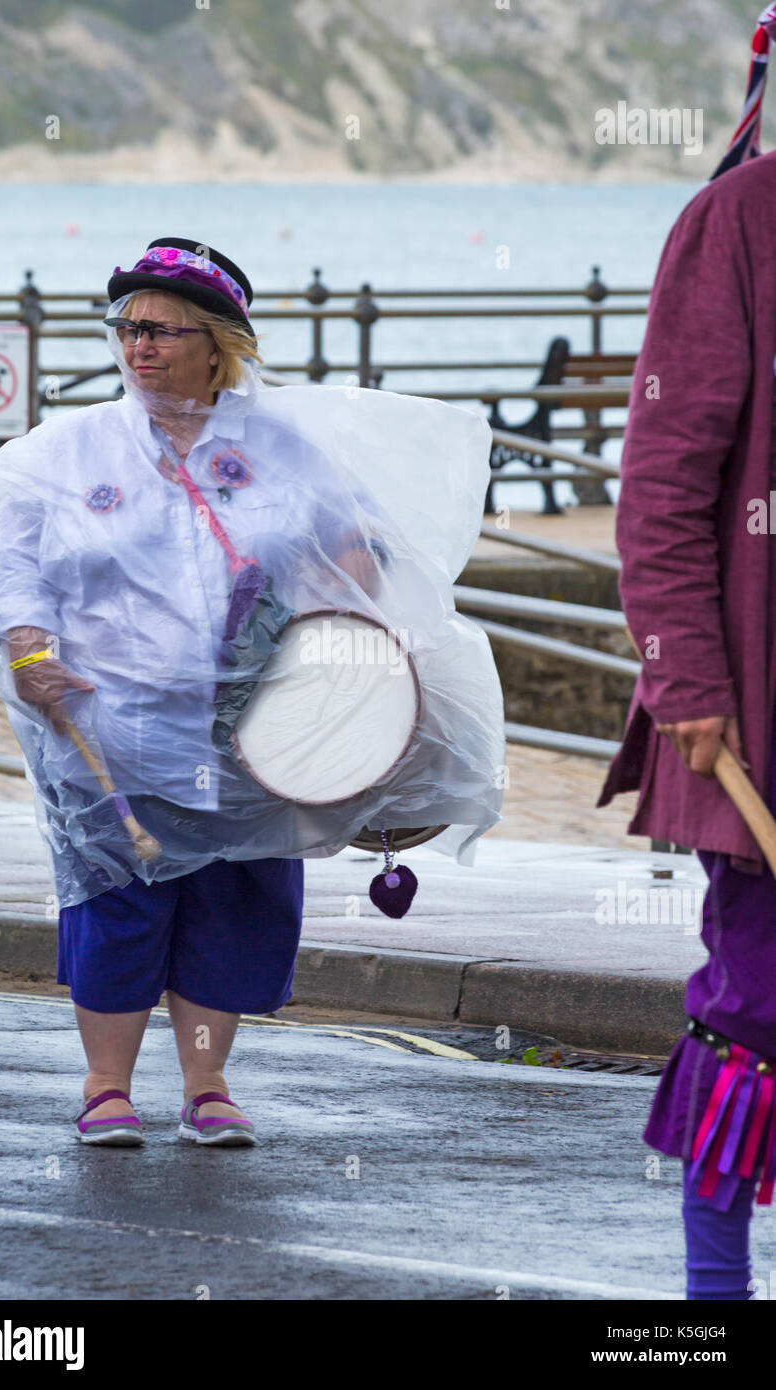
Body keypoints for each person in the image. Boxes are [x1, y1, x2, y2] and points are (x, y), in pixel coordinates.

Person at [0, 237, 503, 1148]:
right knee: (118, 902)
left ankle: (207, 1085)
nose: (138, 345)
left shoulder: (287, 449)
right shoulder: (65, 450)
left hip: (257, 734)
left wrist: (366, 665)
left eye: (161, 329)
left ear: (218, 343)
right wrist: (30, 652)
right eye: (125, 327)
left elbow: (349, 561)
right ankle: (105, 1088)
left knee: (236, 905)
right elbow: (9, 565)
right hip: (111, 729)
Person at [598, 6, 776, 1299]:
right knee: (757, 1010)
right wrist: (687, 681)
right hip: (760, 712)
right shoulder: (736, 221)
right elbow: (660, 477)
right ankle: (714, 1301)